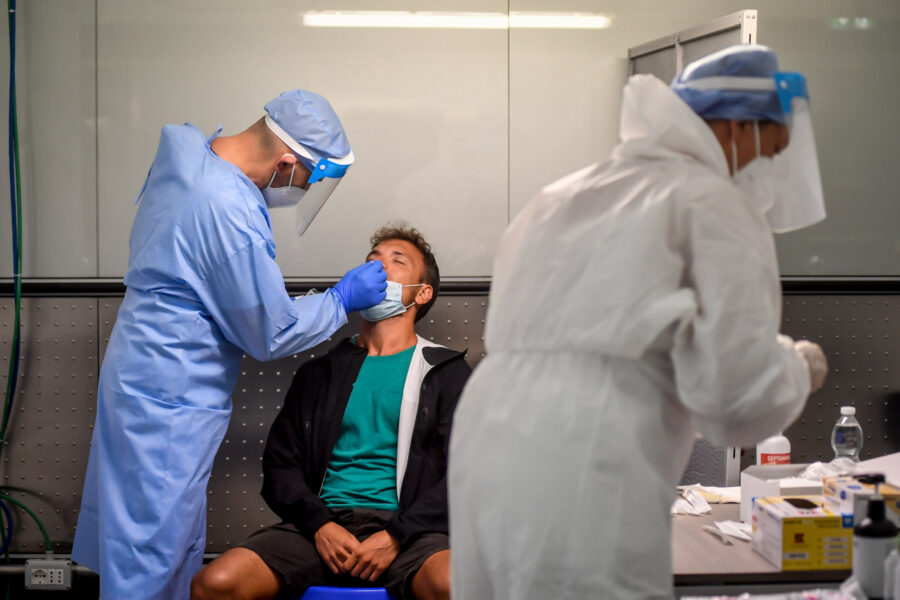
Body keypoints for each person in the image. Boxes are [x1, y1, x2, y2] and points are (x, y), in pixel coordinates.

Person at [448, 45, 830, 600]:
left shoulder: (568, 192)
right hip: (590, 454)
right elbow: (736, 401)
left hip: (487, 441)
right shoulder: (710, 200)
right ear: (736, 125)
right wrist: (796, 367)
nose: (768, 168)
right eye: (770, 148)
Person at [72, 90, 389, 599]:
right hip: (168, 392)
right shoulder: (227, 209)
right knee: (152, 546)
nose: (299, 190)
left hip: (147, 374)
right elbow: (271, 331)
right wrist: (340, 298)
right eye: (307, 180)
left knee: (164, 536)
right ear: (287, 160)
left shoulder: (196, 161)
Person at [191, 223, 470, 600]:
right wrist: (321, 526)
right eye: (372, 260)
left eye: (395, 261)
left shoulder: (445, 373)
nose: (377, 266)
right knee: (215, 585)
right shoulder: (319, 373)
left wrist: (397, 535)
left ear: (421, 293)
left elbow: (466, 477)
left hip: (410, 534)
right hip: (322, 527)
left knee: (459, 587)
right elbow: (279, 467)